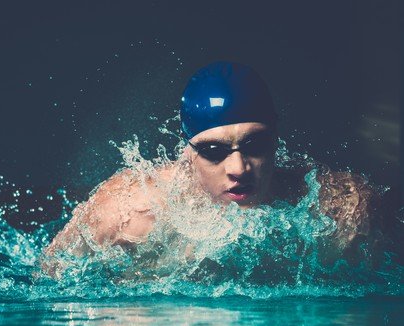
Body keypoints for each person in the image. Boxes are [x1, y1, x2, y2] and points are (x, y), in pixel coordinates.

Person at [42, 62, 381, 278]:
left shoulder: (337, 211)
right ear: (186, 153)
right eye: (214, 152)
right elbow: (47, 278)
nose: (238, 168)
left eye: (255, 145)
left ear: (276, 140)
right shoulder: (128, 211)